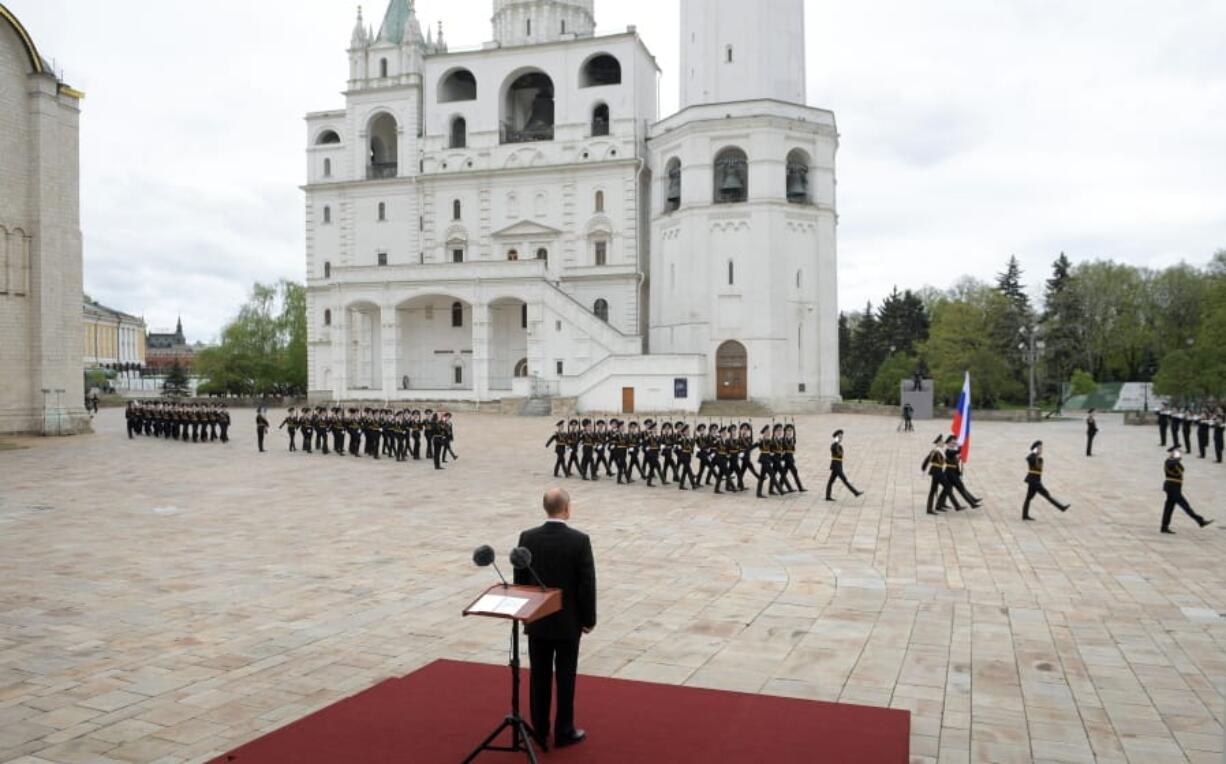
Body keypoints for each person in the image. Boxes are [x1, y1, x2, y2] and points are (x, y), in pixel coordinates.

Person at [515, 488, 596, 751]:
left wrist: (525, 614)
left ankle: (539, 729)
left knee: (538, 676)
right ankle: (564, 730)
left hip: (537, 619)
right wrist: (588, 619)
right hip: (567, 622)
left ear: (545, 508)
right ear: (567, 508)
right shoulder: (579, 540)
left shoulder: (528, 537)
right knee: (565, 676)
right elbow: (586, 584)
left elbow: (521, 582)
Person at [1161, 446, 1213, 534]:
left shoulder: (1175, 462)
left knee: (1169, 507)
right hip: (1172, 486)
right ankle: (1200, 521)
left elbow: (1181, 469)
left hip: (1175, 487)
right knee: (1185, 505)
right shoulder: (1168, 461)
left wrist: (1177, 458)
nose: (1179, 453)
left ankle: (1164, 527)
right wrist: (1176, 457)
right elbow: (1171, 464)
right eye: (1177, 452)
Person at [1022, 441, 1070, 521]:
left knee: (1029, 498)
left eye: (1041, 448)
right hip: (1034, 482)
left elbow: (1038, 465)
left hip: (1034, 480)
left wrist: (1036, 454)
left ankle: (1024, 515)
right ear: (1036, 449)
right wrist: (1033, 452)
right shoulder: (1032, 457)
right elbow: (1028, 459)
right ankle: (1062, 507)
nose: (1041, 450)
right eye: (1040, 448)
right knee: (1047, 495)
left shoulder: (1039, 458)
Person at [825, 429, 863, 501]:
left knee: (831, 481)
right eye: (839, 437)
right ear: (835, 438)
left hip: (838, 465)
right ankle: (855, 492)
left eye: (841, 437)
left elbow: (841, 454)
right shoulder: (834, 445)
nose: (840, 439)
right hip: (836, 465)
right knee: (844, 479)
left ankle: (827, 496)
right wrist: (836, 442)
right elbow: (838, 453)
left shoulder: (840, 446)